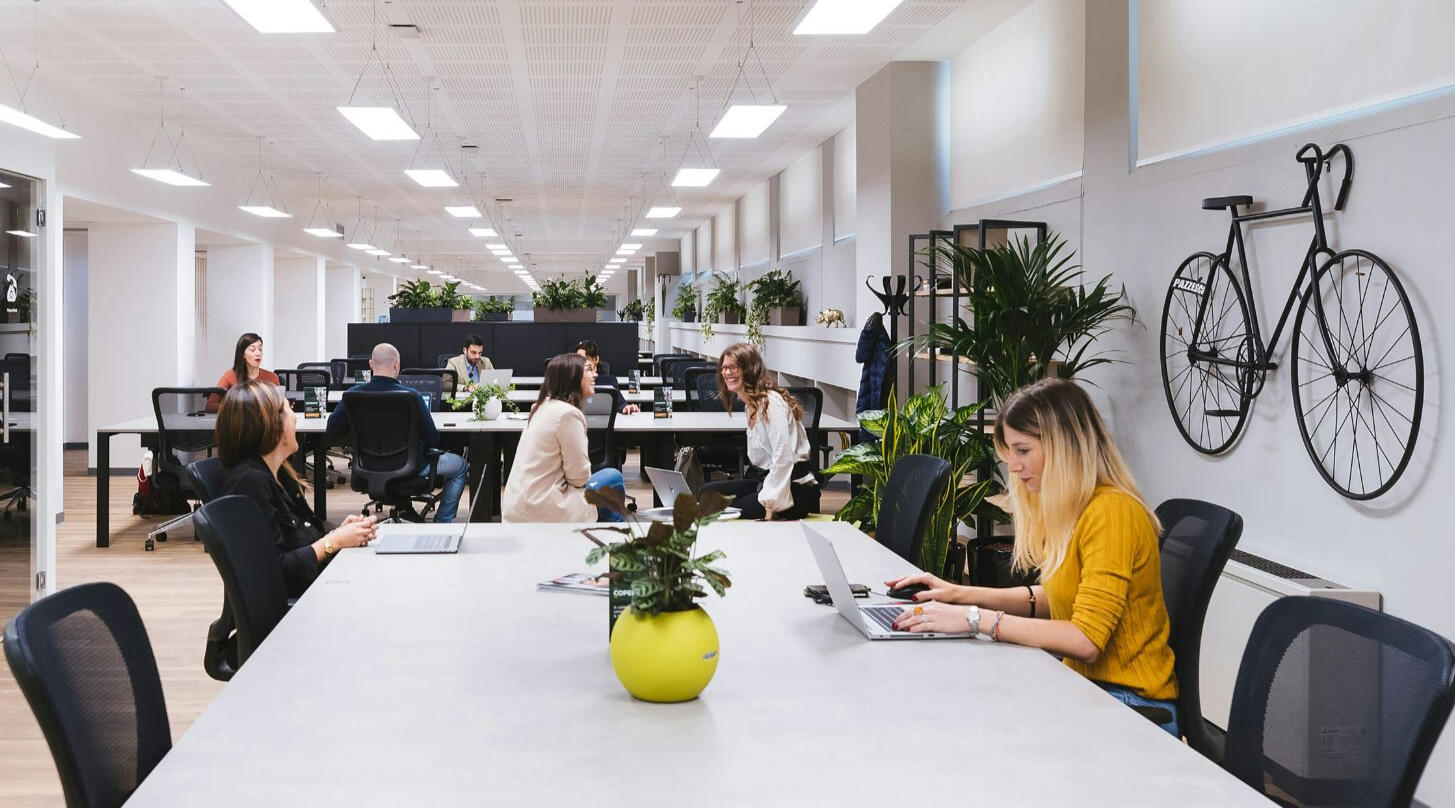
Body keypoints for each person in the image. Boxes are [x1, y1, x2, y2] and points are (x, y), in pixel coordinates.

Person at [885, 378, 1179, 737]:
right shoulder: (1074, 507)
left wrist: (974, 619)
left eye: (1023, 450)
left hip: (1130, 705)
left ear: (1065, 446)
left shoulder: (1112, 512)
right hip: (1088, 688)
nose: (1013, 466)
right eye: (1010, 452)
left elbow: (1085, 640)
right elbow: (1059, 596)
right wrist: (957, 594)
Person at [216, 380, 377, 599]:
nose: (295, 417)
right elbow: (273, 571)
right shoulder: (250, 483)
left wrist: (340, 534)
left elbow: (299, 541)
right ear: (271, 424)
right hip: (298, 606)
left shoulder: (281, 474)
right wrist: (334, 542)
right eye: (289, 409)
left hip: (314, 589)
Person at [326, 343, 470, 523]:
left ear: (371, 364)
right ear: (396, 364)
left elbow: (332, 431)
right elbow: (433, 439)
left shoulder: (352, 395)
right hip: (411, 467)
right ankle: (441, 523)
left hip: (366, 467)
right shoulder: (411, 396)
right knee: (460, 466)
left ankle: (405, 509)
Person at [700, 342, 819, 520]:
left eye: (733, 367)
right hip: (766, 480)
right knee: (706, 494)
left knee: (715, 509)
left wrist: (770, 508)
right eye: (724, 368)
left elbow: (783, 456)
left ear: (749, 369)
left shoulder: (770, 403)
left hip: (792, 490)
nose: (727, 372)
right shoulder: (751, 405)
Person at [502, 353, 626, 523]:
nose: (595, 375)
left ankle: (606, 533)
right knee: (613, 476)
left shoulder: (541, 408)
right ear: (573, 378)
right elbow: (579, 477)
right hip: (543, 508)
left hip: (518, 507)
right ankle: (616, 535)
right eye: (588, 370)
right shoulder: (567, 415)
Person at [206, 332, 280, 412]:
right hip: (238, 418)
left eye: (260, 349)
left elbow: (280, 405)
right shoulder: (229, 376)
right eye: (252, 350)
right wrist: (238, 409)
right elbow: (210, 405)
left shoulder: (272, 377)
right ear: (243, 354)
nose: (258, 353)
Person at [574, 339, 640, 415]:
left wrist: (627, 407)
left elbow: (620, 403)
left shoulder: (609, 381)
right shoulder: (574, 380)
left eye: (585, 359)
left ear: (596, 359)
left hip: (603, 420)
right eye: (578, 359)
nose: (581, 363)